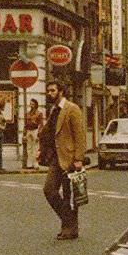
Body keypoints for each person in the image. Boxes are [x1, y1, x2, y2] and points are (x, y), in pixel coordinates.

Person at [38, 81, 86, 240]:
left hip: (69, 158)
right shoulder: (54, 110)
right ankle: (69, 221)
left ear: (61, 92)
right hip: (55, 159)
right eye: (48, 91)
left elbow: (79, 135)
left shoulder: (72, 109)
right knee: (49, 190)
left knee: (69, 196)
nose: (49, 93)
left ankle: (69, 229)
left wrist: (78, 159)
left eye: (52, 90)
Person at [23, 99, 44, 170]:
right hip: (29, 130)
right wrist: (24, 134)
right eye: (30, 104)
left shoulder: (39, 113)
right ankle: (29, 164)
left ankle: (36, 164)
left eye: (33, 104)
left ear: (36, 105)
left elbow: (41, 124)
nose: (31, 106)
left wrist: (39, 134)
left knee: (36, 148)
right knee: (29, 148)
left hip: (35, 130)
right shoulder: (27, 113)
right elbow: (25, 125)